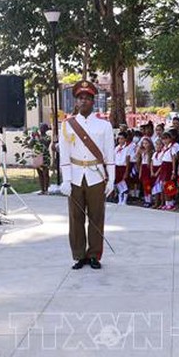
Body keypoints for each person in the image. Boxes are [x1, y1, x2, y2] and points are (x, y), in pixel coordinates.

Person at [59, 80, 115, 270]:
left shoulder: (104, 126)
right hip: (74, 176)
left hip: (96, 175)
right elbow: (64, 155)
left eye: (87, 98)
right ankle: (79, 255)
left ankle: (94, 255)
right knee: (75, 217)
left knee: (96, 217)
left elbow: (110, 154)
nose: (83, 101)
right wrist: (65, 179)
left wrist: (112, 179)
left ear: (93, 102)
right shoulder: (67, 125)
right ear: (76, 102)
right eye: (80, 98)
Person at [113, 131, 131, 205]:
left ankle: (125, 200)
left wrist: (126, 172)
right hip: (117, 167)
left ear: (125, 139)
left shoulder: (127, 148)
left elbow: (127, 161)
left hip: (123, 167)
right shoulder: (116, 148)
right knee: (118, 184)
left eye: (122, 139)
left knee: (124, 183)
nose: (120, 140)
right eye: (119, 139)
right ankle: (120, 199)